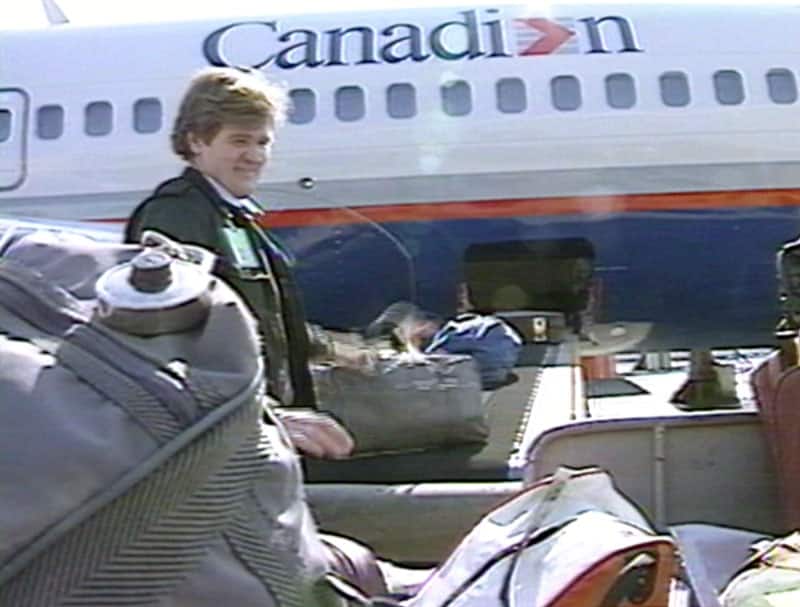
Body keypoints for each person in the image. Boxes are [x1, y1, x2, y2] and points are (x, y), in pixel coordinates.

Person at [124, 67, 357, 460]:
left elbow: (268, 321)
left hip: (257, 432)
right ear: (196, 141)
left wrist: (351, 351)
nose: (255, 156)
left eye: (263, 142)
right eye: (239, 141)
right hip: (220, 443)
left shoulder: (235, 219)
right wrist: (267, 416)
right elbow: (168, 348)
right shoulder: (175, 218)